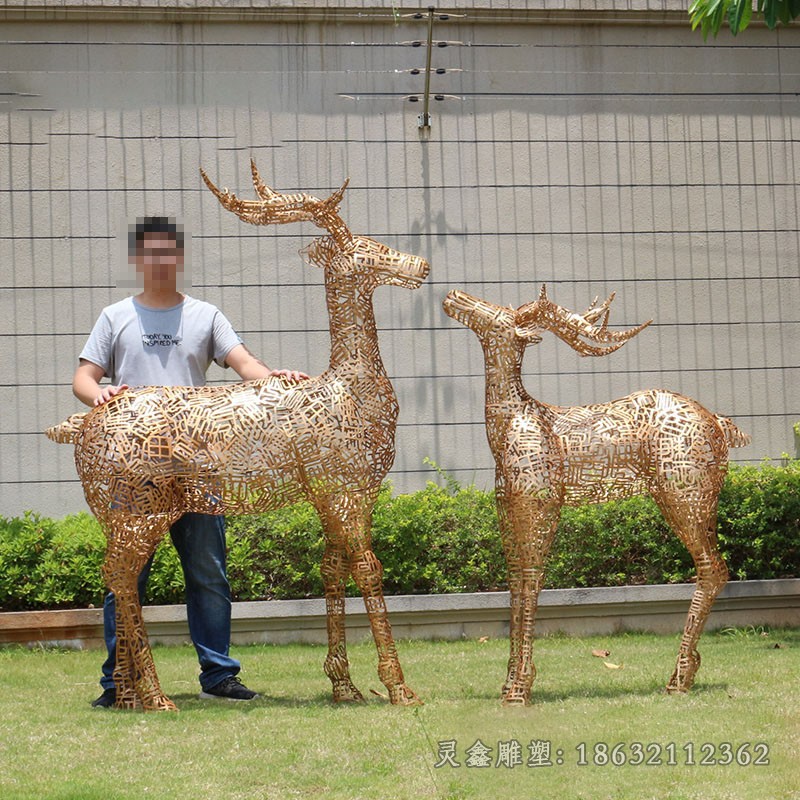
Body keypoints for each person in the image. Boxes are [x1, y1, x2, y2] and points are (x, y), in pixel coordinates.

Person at [73, 215, 307, 707]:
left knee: (207, 571)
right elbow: (84, 379)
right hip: (134, 469)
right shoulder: (115, 316)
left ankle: (219, 675)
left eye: (168, 252)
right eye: (150, 252)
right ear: (139, 259)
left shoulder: (205, 315)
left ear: (179, 258)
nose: (160, 260)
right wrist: (101, 394)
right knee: (125, 574)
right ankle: (119, 681)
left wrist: (272, 378)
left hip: (198, 464)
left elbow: (245, 364)